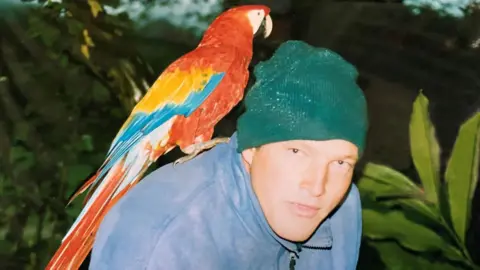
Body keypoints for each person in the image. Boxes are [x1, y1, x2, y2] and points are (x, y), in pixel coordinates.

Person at [89, 40, 369, 270]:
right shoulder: (160, 240)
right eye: (296, 151)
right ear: (250, 148)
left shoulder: (342, 208)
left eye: (341, 163)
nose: (317, 187)